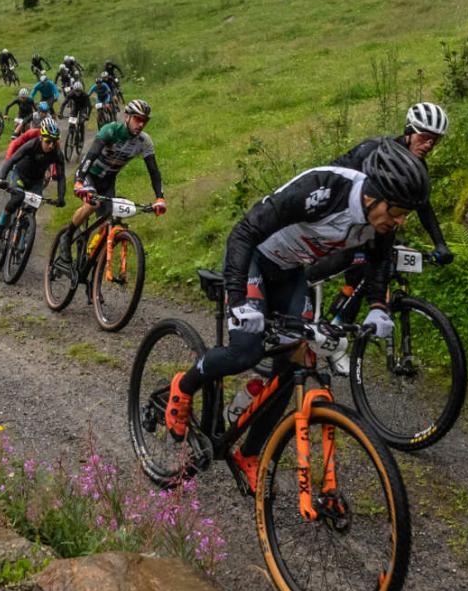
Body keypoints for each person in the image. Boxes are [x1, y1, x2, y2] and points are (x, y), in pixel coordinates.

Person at [159, 140, 430, 492]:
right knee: (247, 350)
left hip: (290, 271)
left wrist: (378, 305)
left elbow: (378, 260)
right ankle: (184, 386)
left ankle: (251, 454)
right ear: (373, 195)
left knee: (295, 363)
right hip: (255, 258)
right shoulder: (322, 189)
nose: (399, 221)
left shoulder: (381, 220)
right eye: (396, 212)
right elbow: (244, 232)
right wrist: (239, 299)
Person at [330, 102, 454, 264]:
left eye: (434, 141)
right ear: (409, 131)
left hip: (378, 227)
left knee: (378, 278)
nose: (429, 145)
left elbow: (423, 205)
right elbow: (333, 176)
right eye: (424, 137)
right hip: (343, 221)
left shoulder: (417, 166)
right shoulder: (375, 149)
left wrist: (440, 243)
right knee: (335, 268)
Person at [67, 98, 166, 235]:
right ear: (127, 117)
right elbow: (91, 155)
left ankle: (94, 254)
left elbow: (154, 171)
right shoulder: (111, 130)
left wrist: (160, 197)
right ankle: (67, 236)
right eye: (137, 119)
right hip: (88, 174)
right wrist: (79, 182)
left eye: (145, 120)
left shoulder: (144, 141)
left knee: (109, 220)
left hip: (108, 181)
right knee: (92, 204)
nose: (141, 124)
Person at [0, 118, 67, 246]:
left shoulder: (57, 153)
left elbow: (61, 177)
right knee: (18, 197)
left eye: (54, 142)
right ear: (41, 138)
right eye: (48, 141)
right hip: (20, 175)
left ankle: (22, 237)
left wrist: (61, 197)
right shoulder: (32, 144)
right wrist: (2, 178)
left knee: (32, 208)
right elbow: (12, 160)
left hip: (36, 181)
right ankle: (1, 223)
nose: (51, 145)